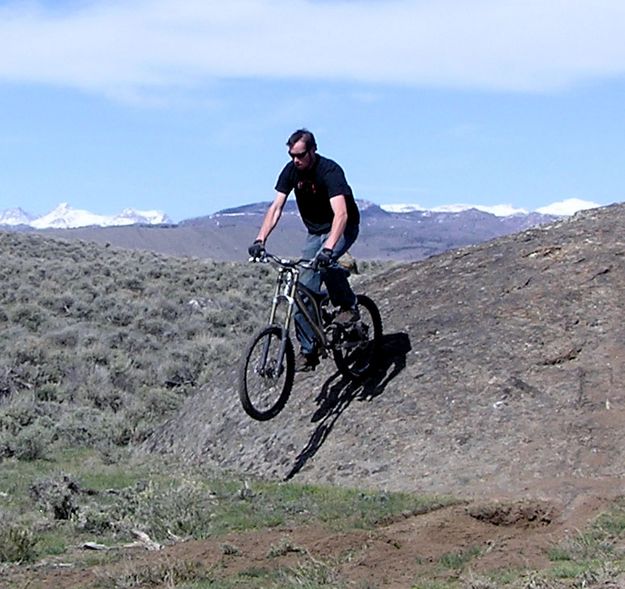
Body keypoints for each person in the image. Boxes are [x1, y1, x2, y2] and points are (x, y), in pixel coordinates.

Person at [248, 129, 361, 372]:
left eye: (300, 155)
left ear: (312, 150)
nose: (296, 160)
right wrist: (260, 239)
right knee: (301, 291)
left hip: (342, 228)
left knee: (327, 262)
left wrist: (329, 247)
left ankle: (348, 306)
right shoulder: (291, 171)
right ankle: (309, 351)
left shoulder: (329, 171)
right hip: (315, 232)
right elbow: (276, 207)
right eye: (292, 155)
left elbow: (341, 214)